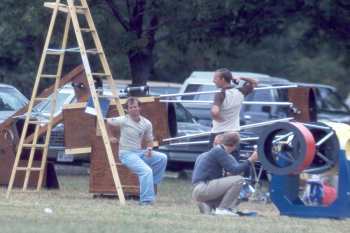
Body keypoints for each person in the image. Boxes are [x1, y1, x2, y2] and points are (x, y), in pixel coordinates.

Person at [107, 97, 168, 205]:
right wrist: (111, 136)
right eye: (131, 107)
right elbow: (108, 122)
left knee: (162, 158)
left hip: (140, 152)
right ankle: (145, 201)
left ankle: (152, 185)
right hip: (126, 154)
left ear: (139, 108)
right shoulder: (123, 120)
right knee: (146, 171)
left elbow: (149, 140)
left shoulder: (146, 123)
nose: (133, 109)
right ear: (128, 110)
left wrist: (149, 149)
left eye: (135, 107)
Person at [192, 132, 258, 216]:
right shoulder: (219, 151)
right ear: (235, 145)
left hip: (201, 188)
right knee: (239, 180)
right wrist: (251, 159)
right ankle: (222, 209)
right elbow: (235, 170)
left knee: (239, 192)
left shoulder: (217, 152)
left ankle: (208, 204)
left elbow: (232, 171)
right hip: (202, 188)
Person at [210, 68, 258, 148]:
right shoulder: (241, 91)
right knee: (232, 159)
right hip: (233, 133)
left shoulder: (220, 94)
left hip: (219, 133)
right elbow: (255, 82)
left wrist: (220, 120)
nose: (213, 81)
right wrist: (241, 78)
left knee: (213, 159)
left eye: (215, 78)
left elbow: (215, 112)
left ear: (222, 79)